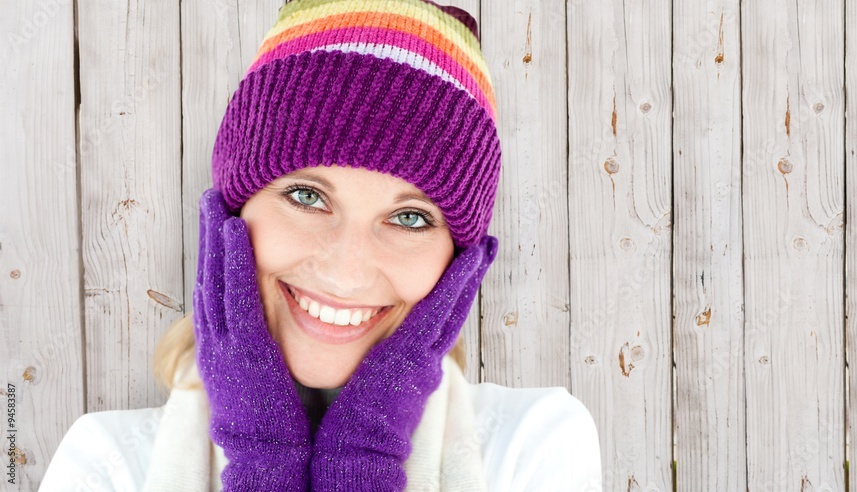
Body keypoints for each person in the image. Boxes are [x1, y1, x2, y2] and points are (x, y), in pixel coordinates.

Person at [39, 0, 602, 490]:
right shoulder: (104, 463)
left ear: (460, 269)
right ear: (227, 221)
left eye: (409, 217)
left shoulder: (534, 447)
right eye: (307, 196)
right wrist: (260, 459)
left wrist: (366, 461)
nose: (346, 270)